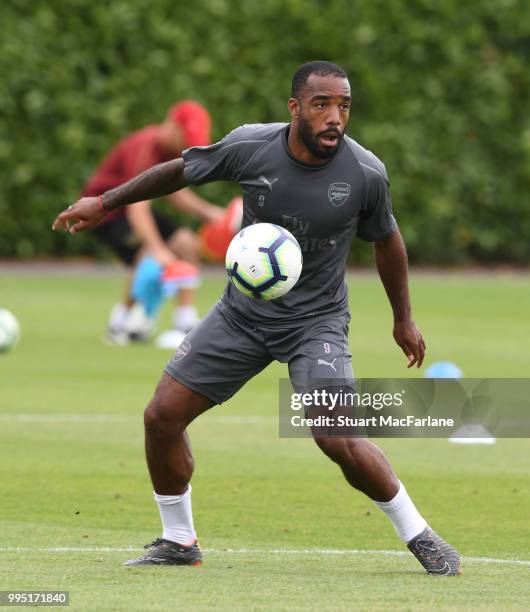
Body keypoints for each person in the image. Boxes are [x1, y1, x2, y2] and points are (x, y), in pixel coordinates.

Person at [53, 61, 460, 575]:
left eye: (344, 106)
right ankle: (179, 540)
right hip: (241, 316)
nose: (335, 117)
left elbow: (387, 241)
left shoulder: (365, 173)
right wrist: (105, 202)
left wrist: (403, 319)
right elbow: (180, 168)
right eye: (322, 105)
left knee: (335, 435)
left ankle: (422, 536)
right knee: (161, 417)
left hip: (316, 324)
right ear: (295, 108)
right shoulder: (251, 146)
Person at [81, 100, 225, 343]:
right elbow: (137, 206)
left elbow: (173, 191)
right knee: (149, 255)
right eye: (185, 137)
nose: (187, 145)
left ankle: (185, 322)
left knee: (186, 243)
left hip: (131, 208)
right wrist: (158, 250)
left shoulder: (173, 152)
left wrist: (208, 212)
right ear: (171, 125)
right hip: (106, 212)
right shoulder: (145, 147)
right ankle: (122, 323)